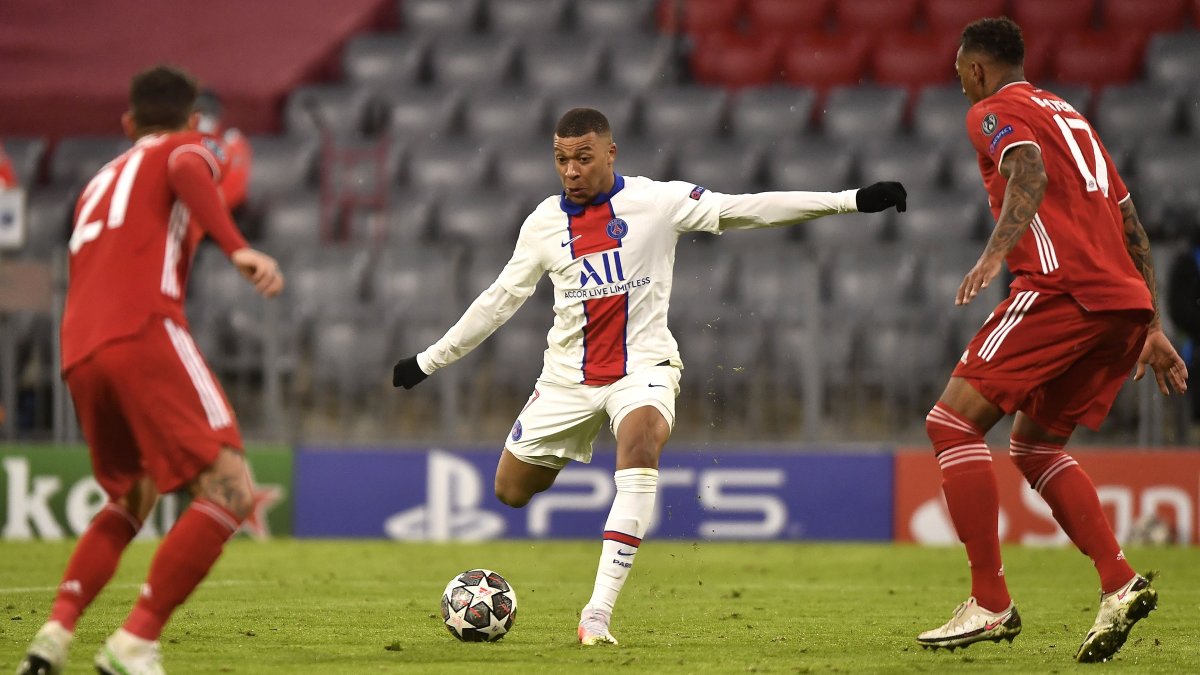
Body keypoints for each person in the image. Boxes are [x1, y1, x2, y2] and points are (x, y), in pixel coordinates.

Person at [392, 107, 907, 645]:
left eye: (583, 158)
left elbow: (746, 209)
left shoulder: (658, 203)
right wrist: (429, 361)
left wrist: (849, 200)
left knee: (639, 447)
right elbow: (498, 301)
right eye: (562, 159)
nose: (571, 170)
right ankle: (570, 447)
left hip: (644, 368)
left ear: (611, 154)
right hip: (567, 379)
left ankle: (596, 615)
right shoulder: (544, 222)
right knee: (510, 492)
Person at [914, 18, 1188, 663]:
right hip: (1120, 303)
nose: (957, 80)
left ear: (977, 68)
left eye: (960, 69)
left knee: (951, 424)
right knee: (1035, 447)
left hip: (1061, 290)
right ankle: (1119, 583)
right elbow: (1128, 218)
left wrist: (993, 255)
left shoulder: (992, 110)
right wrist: (1149, 322)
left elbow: (1027, 170)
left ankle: (989, 601)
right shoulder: (1073, 116)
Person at [16, 65, 284, 675]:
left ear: (127, 123)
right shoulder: (189, 146)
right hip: (142, 329)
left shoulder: (97, 179)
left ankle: (54, 636)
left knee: (129, 496)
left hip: (79, 350)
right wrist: (236, 244)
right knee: (230, 489)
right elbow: (189, 168)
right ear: (193, 119)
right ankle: (134, 641)